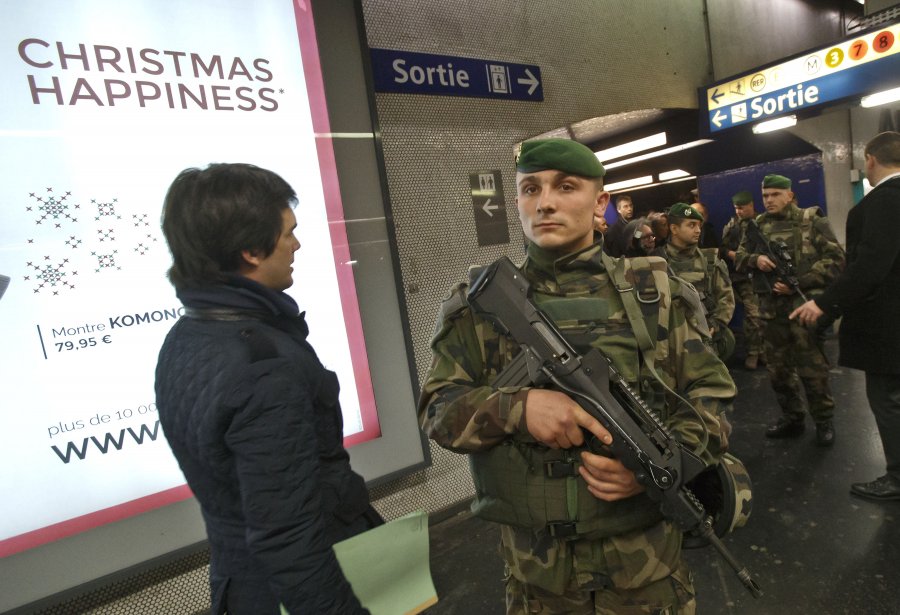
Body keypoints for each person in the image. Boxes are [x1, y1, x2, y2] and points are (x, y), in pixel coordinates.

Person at [419, 138, 736, 614]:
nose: (545, 202)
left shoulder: (657, 292)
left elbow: (711, 396)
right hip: (538, 577)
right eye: (530, 189)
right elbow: (437, 411)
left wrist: (652, 471)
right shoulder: (478, 305)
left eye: (566, 187)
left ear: (600, 202)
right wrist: (519, 409)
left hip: (644, 570)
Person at [154, 163, 380, 614]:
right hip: (301, 588)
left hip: (239, 580)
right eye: (287, 233)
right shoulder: (264, 368)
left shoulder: (186, 337)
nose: (296, 245)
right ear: (252, 250)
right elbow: (289, 538)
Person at [791, 131, 900, 500]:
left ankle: (898, 478)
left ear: (870, 159)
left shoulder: (884, 201)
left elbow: (870, 265)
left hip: (889, 328)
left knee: (887, 401)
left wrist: (824, 303)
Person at [735, 174, 845, 446]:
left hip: (803, 309)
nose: (769, 200)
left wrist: (799, 281)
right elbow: (738, 257)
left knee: (813, 369)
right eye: (765, 196)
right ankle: (792, 418)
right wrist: (755, 259)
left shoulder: (811, 221)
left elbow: (836, 260)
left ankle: (823, 420)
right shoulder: (756, 226)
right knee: (778, 371)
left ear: (790, 195)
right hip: (771, 312)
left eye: (775, 194)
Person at [665, 203, 735, 361]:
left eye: (699, 225)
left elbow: (726, 298)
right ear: (674, 229)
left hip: (706, 339)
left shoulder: (710, 260)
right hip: (671, 343)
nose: (698, 230)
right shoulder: (658, 262)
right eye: (691, 225)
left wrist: (715, 326)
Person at [720, 191, 766, 370]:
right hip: (742, 278)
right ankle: (754, 352)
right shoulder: (731, 226)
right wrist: (737, 256)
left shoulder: (762, 222)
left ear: (751, 205)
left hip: (761, 275)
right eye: (736, 208)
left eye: (742, 207)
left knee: (763, 316)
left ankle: (762, 351)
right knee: (753, 314)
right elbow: (723, 249)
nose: (739, 211)